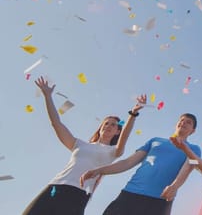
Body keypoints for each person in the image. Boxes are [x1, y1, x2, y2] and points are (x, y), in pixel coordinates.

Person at [23, 76, 145, 215]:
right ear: (100, 127)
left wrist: (133, 114)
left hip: (78, 194)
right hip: (55, 186)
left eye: (113, 125)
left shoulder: (114, 151)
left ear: (118, 131)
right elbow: (56, 123)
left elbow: (126, 135)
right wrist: (48, 96)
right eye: (106, 123)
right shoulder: (78, 144)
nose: (109, 126)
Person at [80, 113, 200, 215]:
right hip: (130, 194)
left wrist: (175, 186)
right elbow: (128, 162)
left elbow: (189, 167)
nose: (183, 123)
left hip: (160, 201)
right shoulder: (155, 141)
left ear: (193, 131)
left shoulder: (194, 149)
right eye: (181, 120)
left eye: (188, 122)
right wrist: (99, 170)